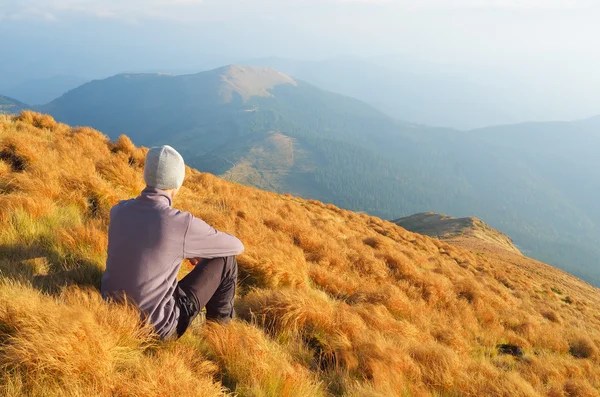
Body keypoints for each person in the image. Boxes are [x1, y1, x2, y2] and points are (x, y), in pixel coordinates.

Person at [101, 145, 244, 339]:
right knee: (227, 260)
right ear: (176, 183)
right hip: (157, 327)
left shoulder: (118, 210)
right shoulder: (179, 223)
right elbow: (236, 246)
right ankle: (220, 336)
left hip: (112, 312)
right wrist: (201, 249)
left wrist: (190, 249)